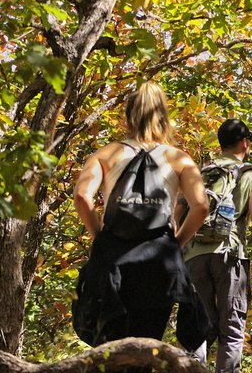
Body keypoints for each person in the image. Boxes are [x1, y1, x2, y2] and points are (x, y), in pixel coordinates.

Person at [72, 82, 210, 357]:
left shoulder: (106, 154)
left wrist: (99, 236)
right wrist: (176, 242)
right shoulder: (179, 159)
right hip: (159, 266)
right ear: (163, 116)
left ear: (128, 116)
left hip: (113, 265)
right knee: (145, 350)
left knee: (109, 352)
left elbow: (82, 197)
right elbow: (201, 206)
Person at [179, 118, 252, 373]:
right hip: (229, 255)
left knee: (199, 327)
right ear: (245, 143)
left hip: (193, 255)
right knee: (231, 330)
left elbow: (178, 211)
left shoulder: (200, 172)